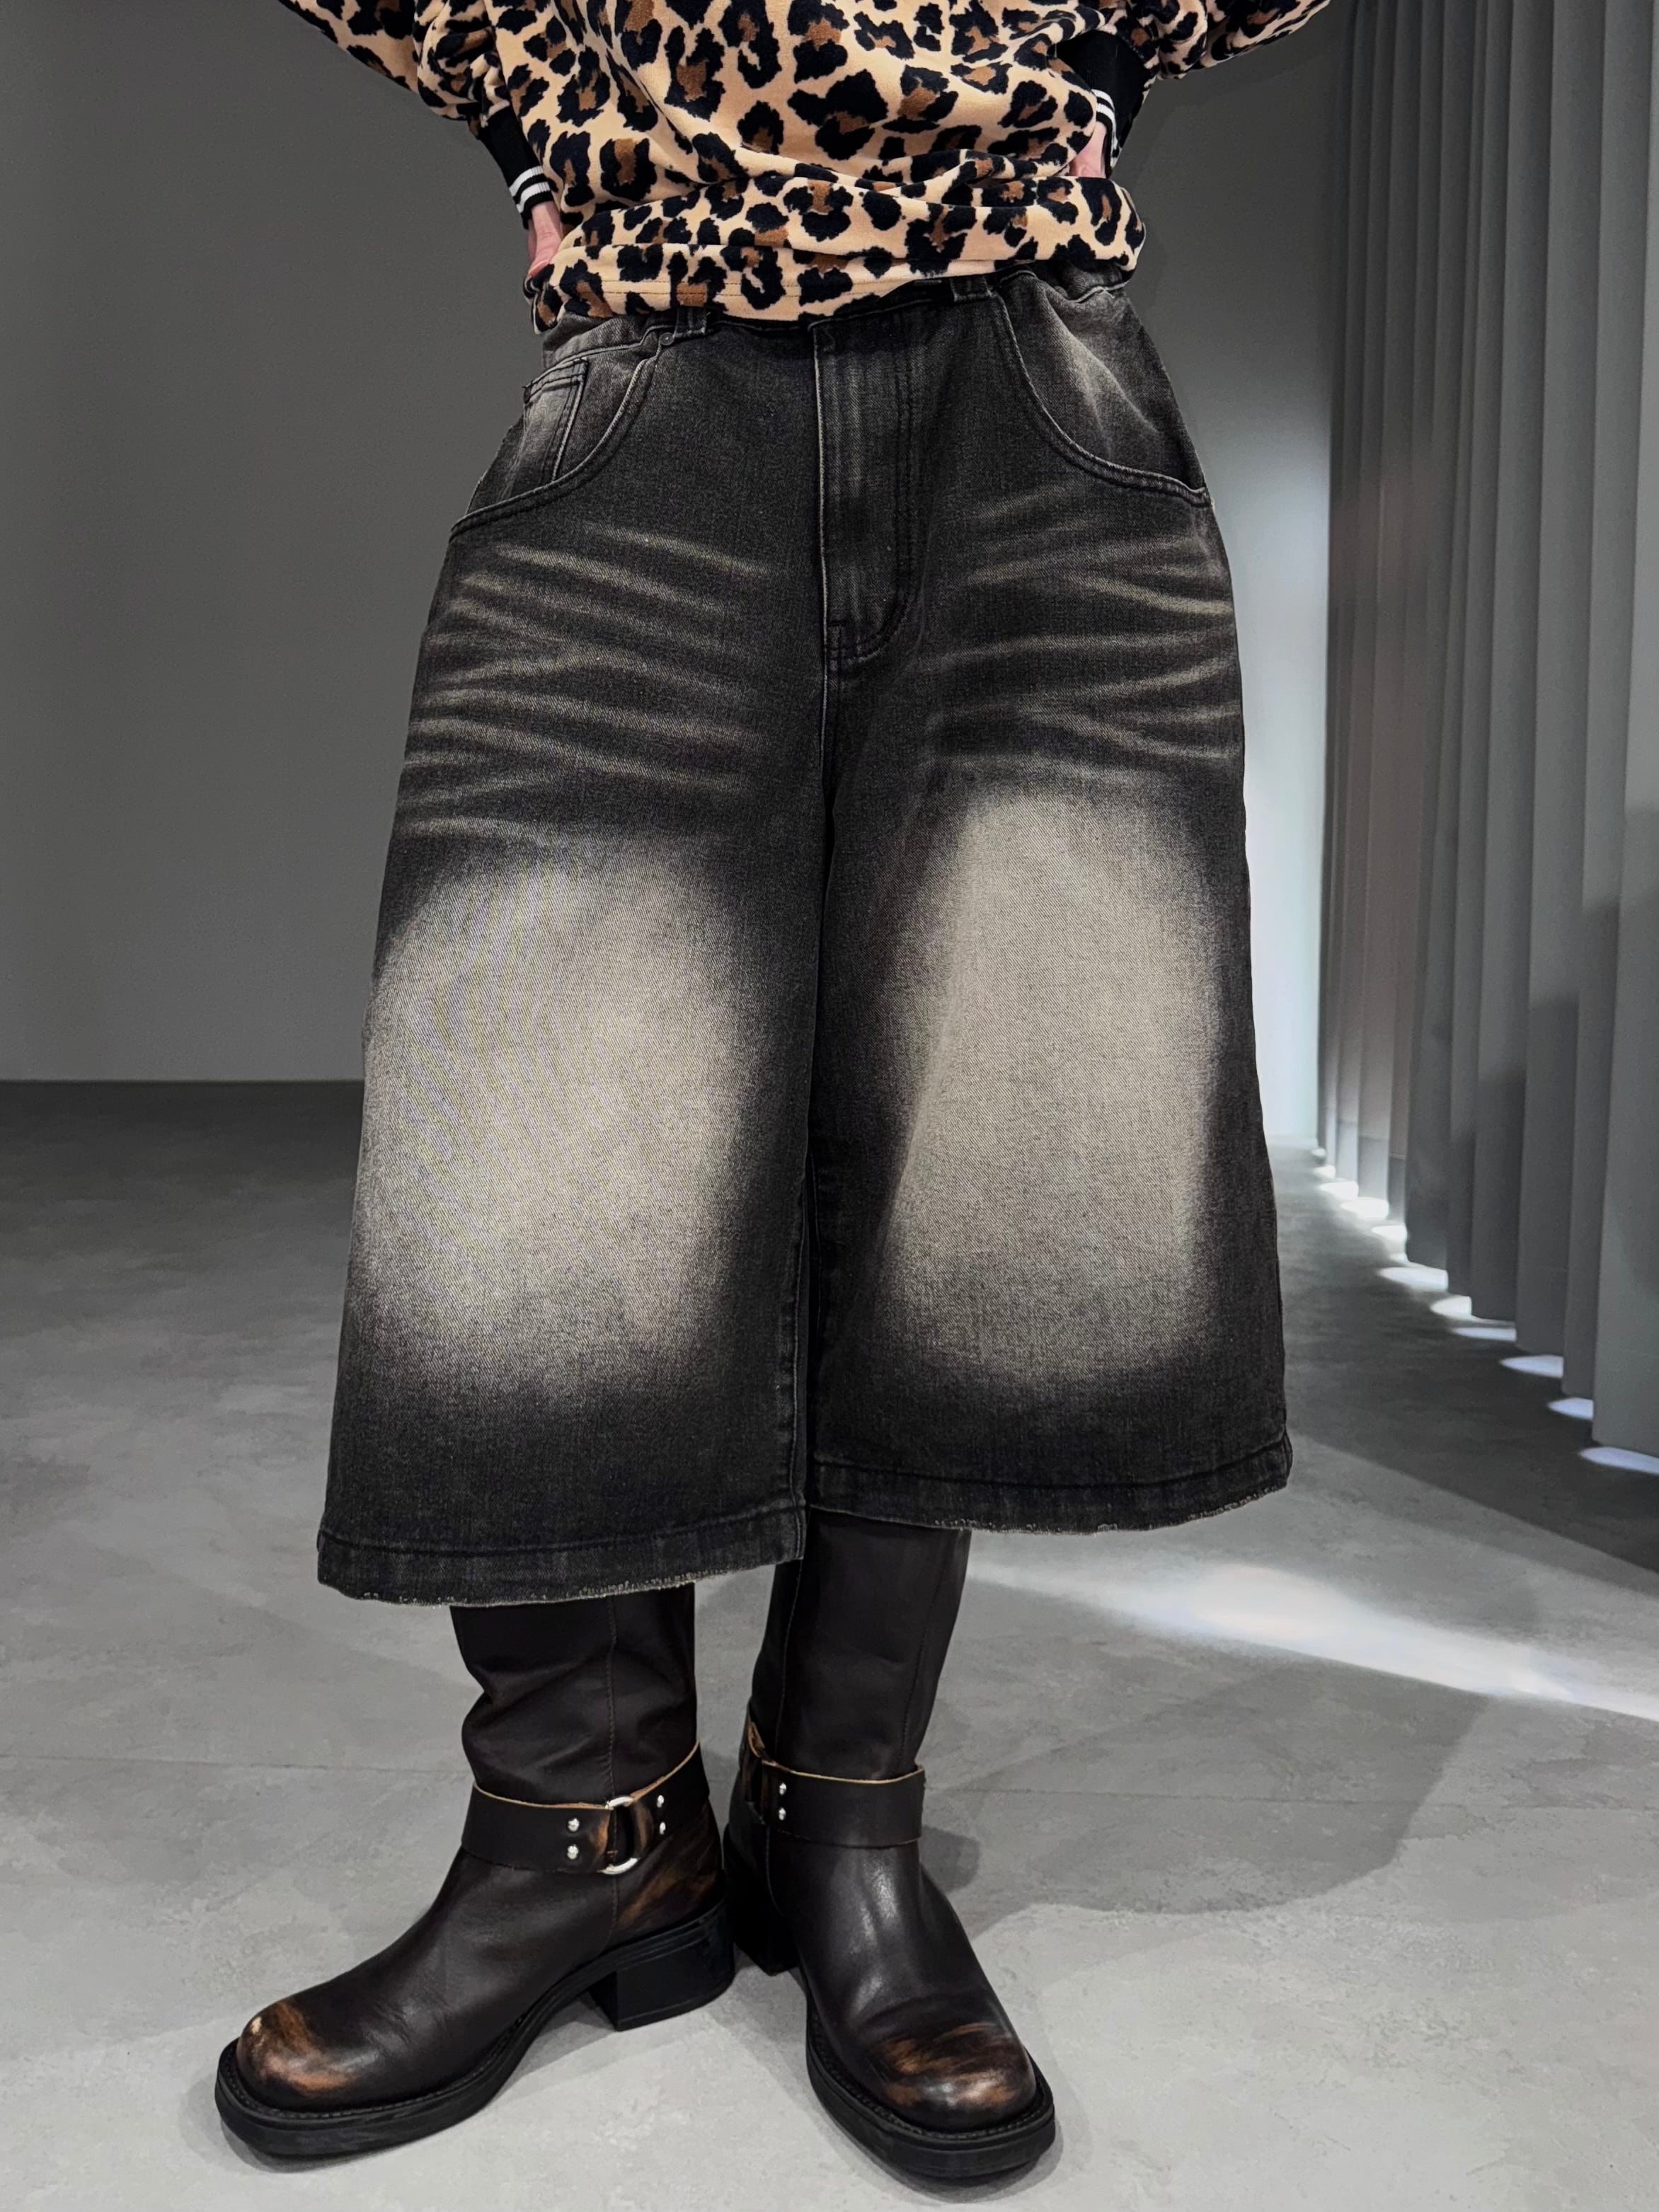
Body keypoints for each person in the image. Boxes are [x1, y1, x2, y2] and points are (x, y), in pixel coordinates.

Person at [215, 0, 1328, 2183]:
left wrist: (1093, 60)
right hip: (658, 354)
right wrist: (543, 113)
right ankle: (582, 1828)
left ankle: (841, 1819)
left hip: (1030, 356)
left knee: (987, 1116)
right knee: (544, 1113)